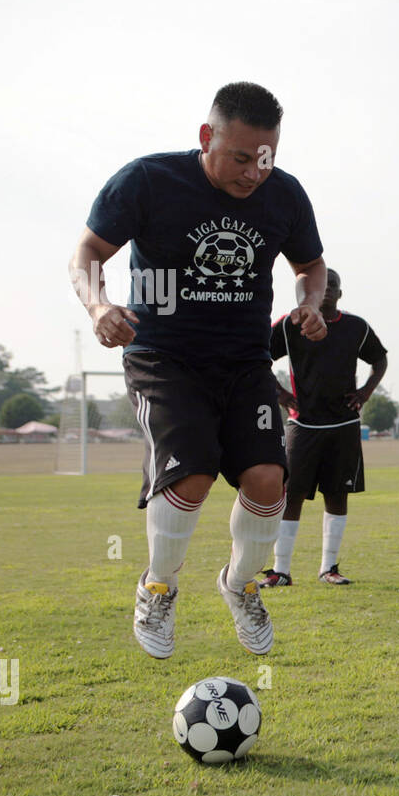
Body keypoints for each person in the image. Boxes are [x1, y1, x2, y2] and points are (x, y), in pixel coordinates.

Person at [69, 82, 328, 658]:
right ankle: (158, 587)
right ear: (206, 136)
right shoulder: (149, 180)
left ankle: (239, 585)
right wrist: (98, 305)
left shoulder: (284, 196)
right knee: (191, 477)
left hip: (244, 360)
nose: (254, 173)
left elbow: (310, 264)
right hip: (164, 357)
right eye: (240, 157)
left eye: (267, 159)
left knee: (268, 482)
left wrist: (309, 304)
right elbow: (85, 253)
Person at [257, 267, 388, 588]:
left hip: (343, 423)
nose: (327, 289)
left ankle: (329, 567)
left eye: (334, 286)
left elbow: (380, 359)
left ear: (340, 294)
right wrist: (282, 395)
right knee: (292, 495)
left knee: (337, 493)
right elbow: (258, 356)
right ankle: (281, 570)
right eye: (322, 285)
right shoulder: (290, 324)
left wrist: (366, 392)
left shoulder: (356, 327)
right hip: (303, 425)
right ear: (305, 292)